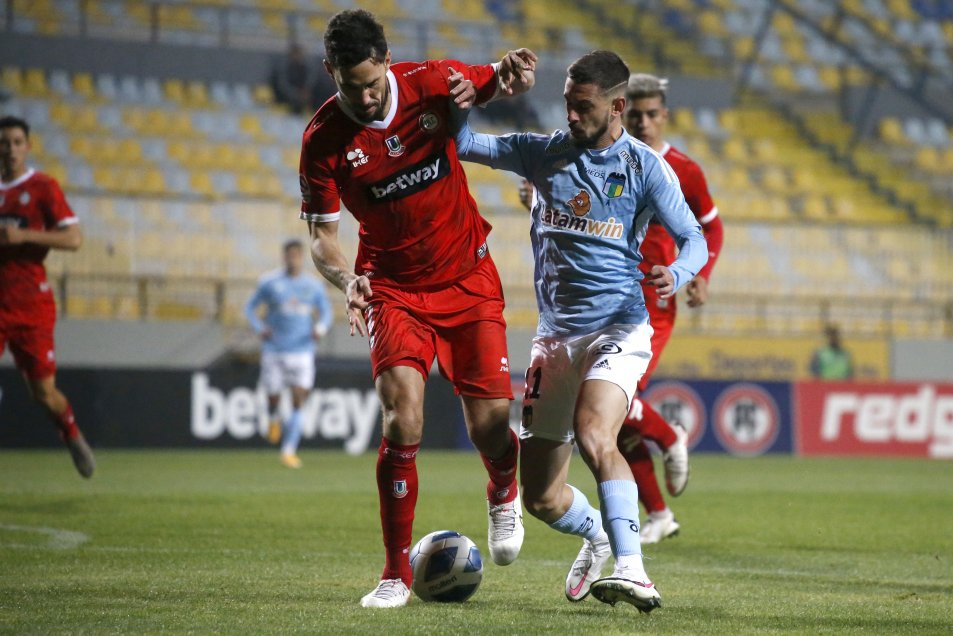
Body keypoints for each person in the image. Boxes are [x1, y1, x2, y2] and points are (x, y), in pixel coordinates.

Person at [454, 50, 708, 612]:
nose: (570, 115)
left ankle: (634, 568)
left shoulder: (645, 168)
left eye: (583, 106)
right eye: (567, 104)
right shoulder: (545, 153)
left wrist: (680, 272)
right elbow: (464, 143)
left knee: (597, 434)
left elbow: (696, 240)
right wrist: (479, 90)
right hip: (555, 340)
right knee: (542, 498)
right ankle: (599, 533)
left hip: (619, 327)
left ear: (617, 107)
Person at [298, 9, 536, 608]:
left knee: (488, 425)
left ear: (386, 58)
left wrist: (510, 71)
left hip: (467, 275)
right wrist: (345, 277)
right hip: (394, 288)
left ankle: (503, 488)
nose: (367, 96)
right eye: (351, 86)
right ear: (331, 72)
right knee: (402, 419)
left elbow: (494, 80)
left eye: (373, 82)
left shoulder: (433, 82)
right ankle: (395, 574)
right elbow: (322, 235)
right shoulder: (322, 140)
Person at [615, 73, 725, 545]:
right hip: (609, 295)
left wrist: (701, 273)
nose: (642, 122)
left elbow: (711, 229)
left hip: (654, 303)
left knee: (612, 402)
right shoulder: (609, 157)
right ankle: (659, 515)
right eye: (633, 114)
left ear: (664, 115)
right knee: (612, 424)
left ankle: (670, 436)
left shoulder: (684, 168)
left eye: (651, 114)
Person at [0, 115, 94, 478]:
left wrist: (25, 238)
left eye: (16, 142)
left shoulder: (42, 187)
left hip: (30, 305)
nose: (9, 149)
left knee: (44, 393)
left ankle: (70, 432)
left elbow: (73, 238)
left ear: (27, 146)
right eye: (4, 142)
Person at [244, 239, 333, 469]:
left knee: (298, 399)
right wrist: (259, 328)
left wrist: (320, 328)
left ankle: (288, 451)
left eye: (296, 255)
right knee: (273, 395)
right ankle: (273, 416)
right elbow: (250, 308)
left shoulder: (313, 286)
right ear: (284, 257)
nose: (292, 259)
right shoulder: (269, 282)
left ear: (302, 257)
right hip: (274, 349)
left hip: (302, 351)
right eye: (289, 255)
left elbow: (326, 312)